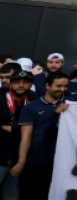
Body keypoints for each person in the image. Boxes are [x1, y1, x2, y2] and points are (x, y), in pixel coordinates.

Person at [10, 71, 69, 200]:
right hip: (34, 161)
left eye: (65, 86)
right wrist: (21, 162)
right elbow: (26, 137)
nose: (62, 89)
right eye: (58, 86)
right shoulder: (31, 107)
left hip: (58, 163)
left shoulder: (70, 106)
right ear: (47, 86)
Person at [1, 69, 35, 197]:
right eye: (17, 82)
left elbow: (35, 130)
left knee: (11, 196)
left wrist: (11, 128)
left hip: (20, 158)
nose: (21, 85)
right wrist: (22, 130)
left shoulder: (34, 101)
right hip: (1, 154)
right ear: (10, 84)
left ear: (31, 85)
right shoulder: (1, 100)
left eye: (25, 82)